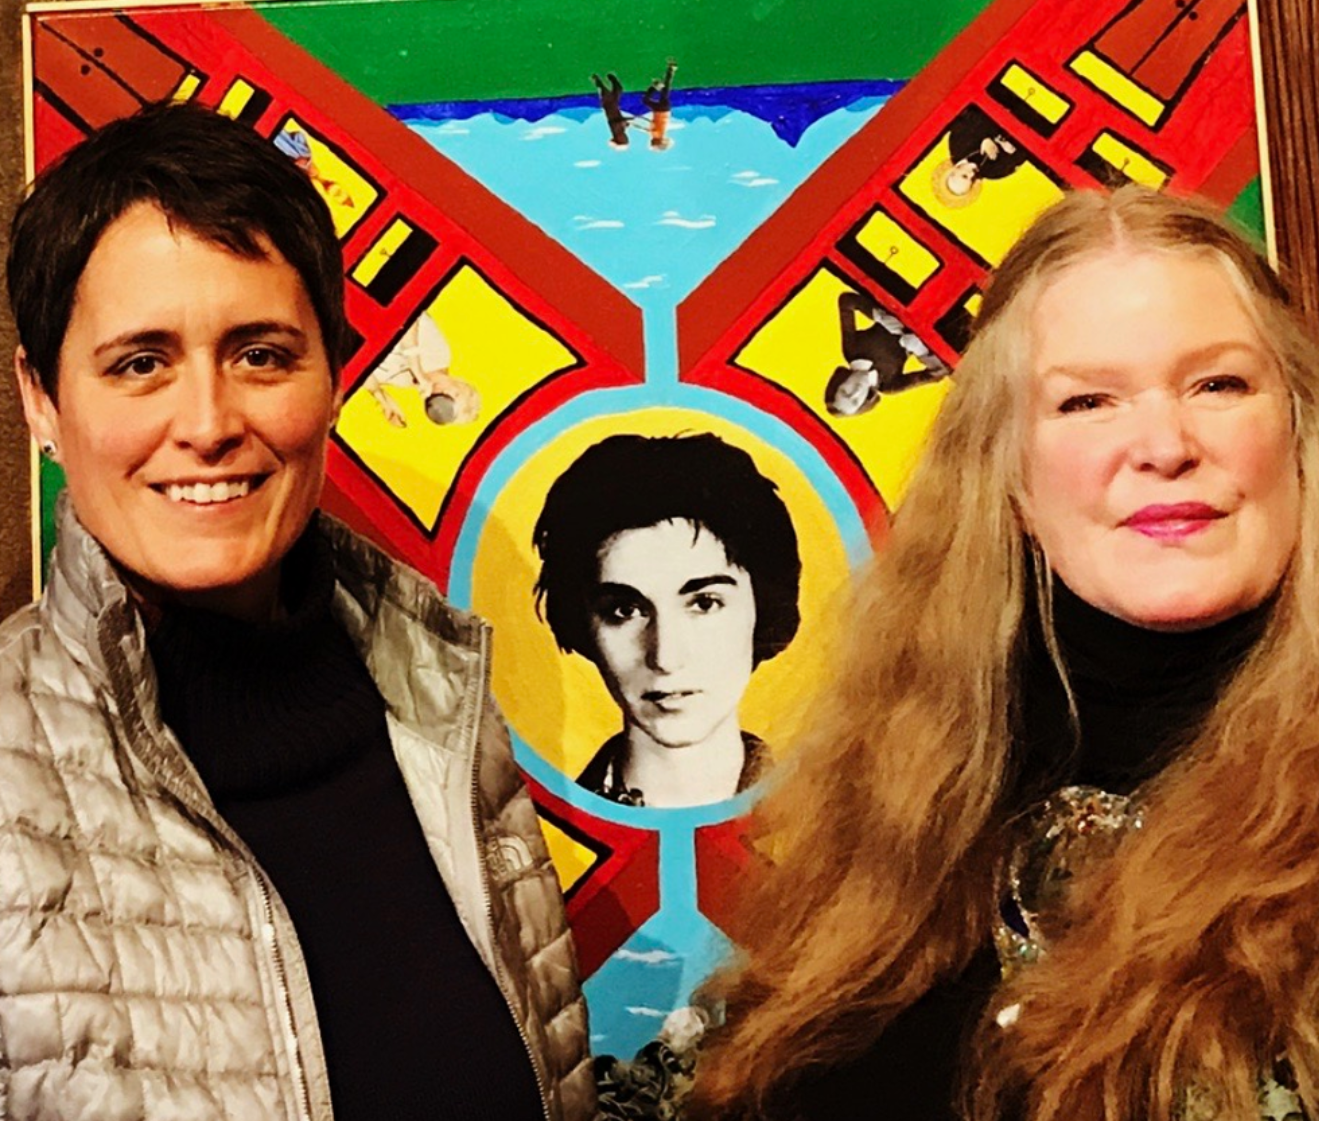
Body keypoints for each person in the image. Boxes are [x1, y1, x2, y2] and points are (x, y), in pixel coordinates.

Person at [690, 188, 1319, 1121]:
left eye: (1218, 385)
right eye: (1088, 401)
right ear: (1009, 473)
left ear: (1300, 429)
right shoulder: (901, 795)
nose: (1164, 446)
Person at [1, 101, 593, 1121]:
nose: (208, 423)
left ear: (334, 378)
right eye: (140, 362)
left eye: (261, 354)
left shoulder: (440, 703)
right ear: (42, 399)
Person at [532, 433, 801, 809]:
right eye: (624, 611)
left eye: (704, 604)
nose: (665, 657)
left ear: (763, 608)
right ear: (583, 626)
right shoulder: (537, 830)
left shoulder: (834, 825)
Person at [825, 289, 950, 417]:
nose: (856, 391)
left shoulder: (852, 350)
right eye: (855, 401)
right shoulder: (888, 385)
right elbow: (939, 373)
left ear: (838, 382)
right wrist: (920, 350)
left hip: (908, 300)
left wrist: (880, 316)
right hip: (939, 325)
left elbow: (847, 301)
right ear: (863, 403)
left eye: (845, 392)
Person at [367, 307, 482, 428]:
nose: (444, 393)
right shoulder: (439, 354)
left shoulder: (404, 382)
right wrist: (418, 371)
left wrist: (381, 397)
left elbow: (361, 367)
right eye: (456, 394)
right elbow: (408, 313)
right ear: (459, 381)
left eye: (446, 403)